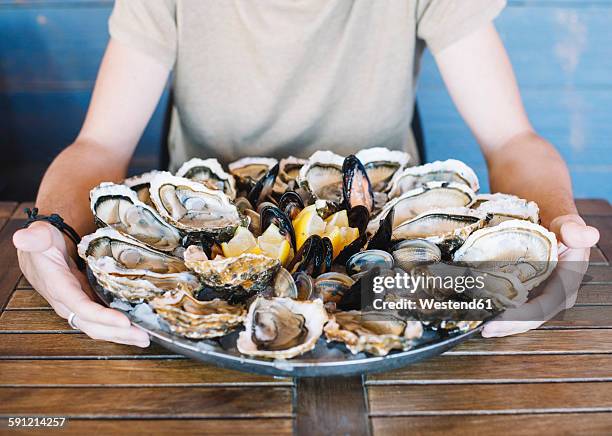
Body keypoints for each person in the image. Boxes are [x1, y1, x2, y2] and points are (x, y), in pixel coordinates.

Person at [13, 0, 599, 347]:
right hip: (203, 277)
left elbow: (512, 140)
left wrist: (558, 226)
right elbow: (98, 145)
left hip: (392, 277)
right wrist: (55, 236)